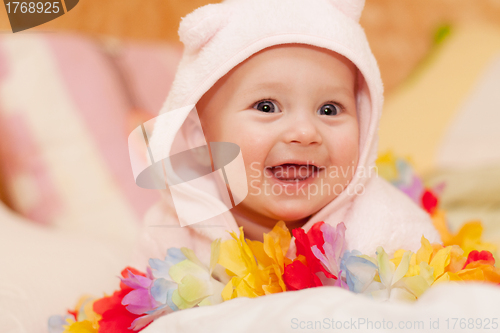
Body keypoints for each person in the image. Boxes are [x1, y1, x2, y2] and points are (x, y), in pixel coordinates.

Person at [130, 0, 440, 269]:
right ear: (201, 139)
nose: (305, 133)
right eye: (267, 106)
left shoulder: (393, 233)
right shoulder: (172, 238)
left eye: (329, 109)